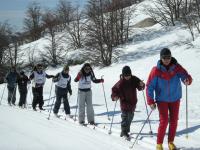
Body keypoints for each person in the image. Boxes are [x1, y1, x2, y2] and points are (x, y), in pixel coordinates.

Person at [146, 48, 192, 150]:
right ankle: (159, 144)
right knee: (164, 121)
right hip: (162, 100)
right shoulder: (156, 71)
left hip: (175, 98)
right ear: (161, 58)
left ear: (171, 57)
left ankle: (171, 142)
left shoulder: (176, 67)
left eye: (168, 57)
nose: (167, 59)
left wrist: (187, 80)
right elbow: (149, 86)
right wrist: (151, 101)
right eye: (164, 58)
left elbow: (185, 75)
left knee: (174, 120)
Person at [111, 66, 145, 139]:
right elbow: (114, 90)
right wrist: (115, 96)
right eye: (126, 76)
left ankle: (126, 130)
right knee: (125, 117)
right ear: (123, 75)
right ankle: (124, 132)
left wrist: (141, 85)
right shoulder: (120, 83)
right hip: (124, 103)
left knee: (130, 116)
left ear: (131, 74)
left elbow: (140, 86)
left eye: (129, 75)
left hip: (133, 102)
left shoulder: (134, 79)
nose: (127, 77)